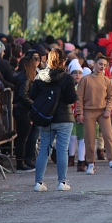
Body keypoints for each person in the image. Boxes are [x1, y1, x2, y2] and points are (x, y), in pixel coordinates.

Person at [30, 48, 77, 192]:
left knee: (44, 149)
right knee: (62, 150)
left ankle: (39, 183)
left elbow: (32, 95)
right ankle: (62, 182)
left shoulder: (40, 76)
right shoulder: (67, 78)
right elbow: (71, 98)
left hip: (46, 118)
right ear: (63, 60)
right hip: (64, 118)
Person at [76, 54, 112, 175]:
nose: (102, 67)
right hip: (88, 111)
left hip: (103, 111)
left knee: (108, 136)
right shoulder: (85, 79)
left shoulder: (107, 80)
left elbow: (111, 97)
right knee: (89, 138)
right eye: (100, 64)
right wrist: (80, 112)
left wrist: (108, 110)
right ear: (94, 64)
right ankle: (90, 164)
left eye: (104, 65)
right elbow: (79, 97)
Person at [12, 55, 38, 172]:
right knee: (23, 138)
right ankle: (20, 164)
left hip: (20, 109)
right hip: (23, 110)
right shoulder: (26, 78)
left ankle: (21, 162)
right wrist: (34, 105)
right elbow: (23, 95)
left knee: (22, 138)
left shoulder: (17, 75)